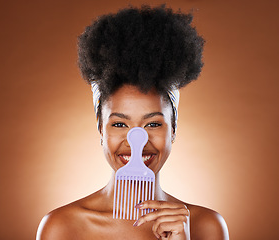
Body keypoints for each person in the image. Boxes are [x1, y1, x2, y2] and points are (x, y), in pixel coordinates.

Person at [36, 5, 229, 240]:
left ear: (174, 130)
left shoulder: (206, 226)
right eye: (119, 124)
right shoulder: (62, 227)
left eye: (153, 124)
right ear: (100, 129)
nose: (137, 140)